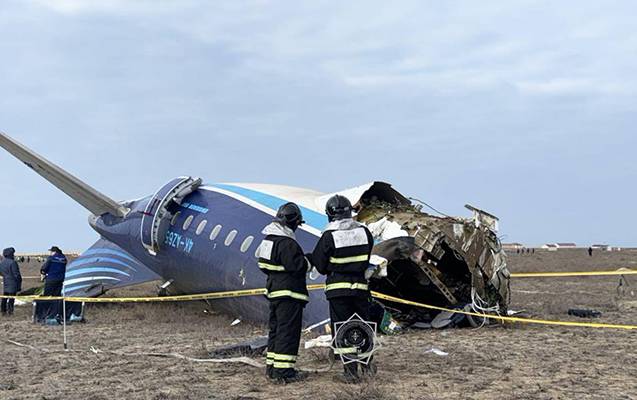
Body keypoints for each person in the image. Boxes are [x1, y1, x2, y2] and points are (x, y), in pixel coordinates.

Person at [310, 195, 375, 383]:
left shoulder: (329, 236)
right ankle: (368, 364)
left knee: (343, 328)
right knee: (363, 326)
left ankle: (351, 372)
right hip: (361, 289)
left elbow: (320, 265)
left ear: (330, 215)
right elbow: (366, 257)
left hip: (339, 291)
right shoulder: (364, 232)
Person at [257, 203, 310, 384]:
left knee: (276, 330)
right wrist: (308, 260)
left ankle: (272, 368)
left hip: (274, 292)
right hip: (289, 294)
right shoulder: (287, 243)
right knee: (288, 332)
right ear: (293, 222)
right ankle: (284, 372)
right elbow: (298, 267)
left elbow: (263, 265)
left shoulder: (268, 241)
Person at [0, 247, 22, 315]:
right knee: (11, 298)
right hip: (13, 283)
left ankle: (3, 310)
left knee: (5, 297)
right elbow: (16, 274)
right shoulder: (13, 262)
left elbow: (0, 272)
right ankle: (10, 311)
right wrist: (19, 281)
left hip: (6, 282)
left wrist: (5, 276)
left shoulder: (2, 263)